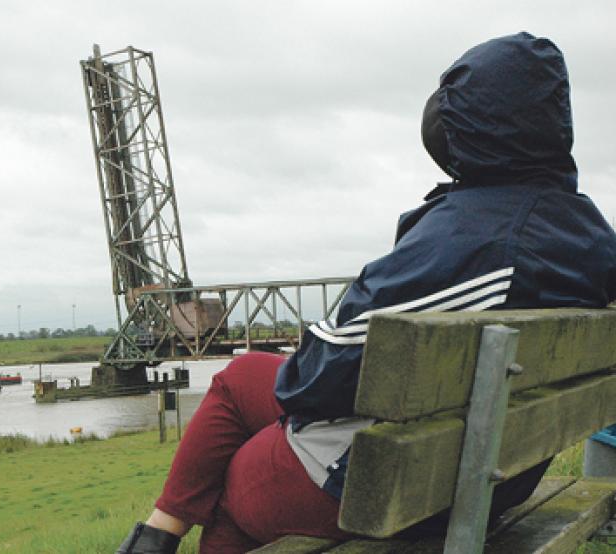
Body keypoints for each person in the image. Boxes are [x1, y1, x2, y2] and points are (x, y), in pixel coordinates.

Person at [116, 32, 616, 554]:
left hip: (394, 479)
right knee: (239, 376)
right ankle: (159, 529)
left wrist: (298, 380)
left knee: (225, 490)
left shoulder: (473, 239)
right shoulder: (583, 231)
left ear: (473, 127)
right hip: (482, 463)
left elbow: (322, 374)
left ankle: (154, 537)